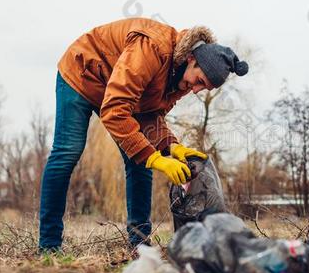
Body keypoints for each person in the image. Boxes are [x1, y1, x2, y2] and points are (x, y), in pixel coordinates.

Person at [38, 18, 249, 252]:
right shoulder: (152, 49)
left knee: (139, 160)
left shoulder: (183, 80)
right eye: (199, 81)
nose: (196, 89)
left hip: (115, 91)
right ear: (191, 59)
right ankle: (49, 244)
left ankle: (139, 243)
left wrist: (171, 147)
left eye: (204, 87)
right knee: (68, 151)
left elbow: (150, 117)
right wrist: (155, 157)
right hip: (84, 73)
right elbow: (115, 109)